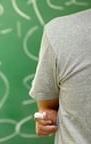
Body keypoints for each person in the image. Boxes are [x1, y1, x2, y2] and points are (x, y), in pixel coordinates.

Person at [29, 8, 91, 143]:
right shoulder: (59, 33)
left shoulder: (59, 31)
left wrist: (45, 116)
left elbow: (46, 107)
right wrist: (46, 118)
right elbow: (47, 109)